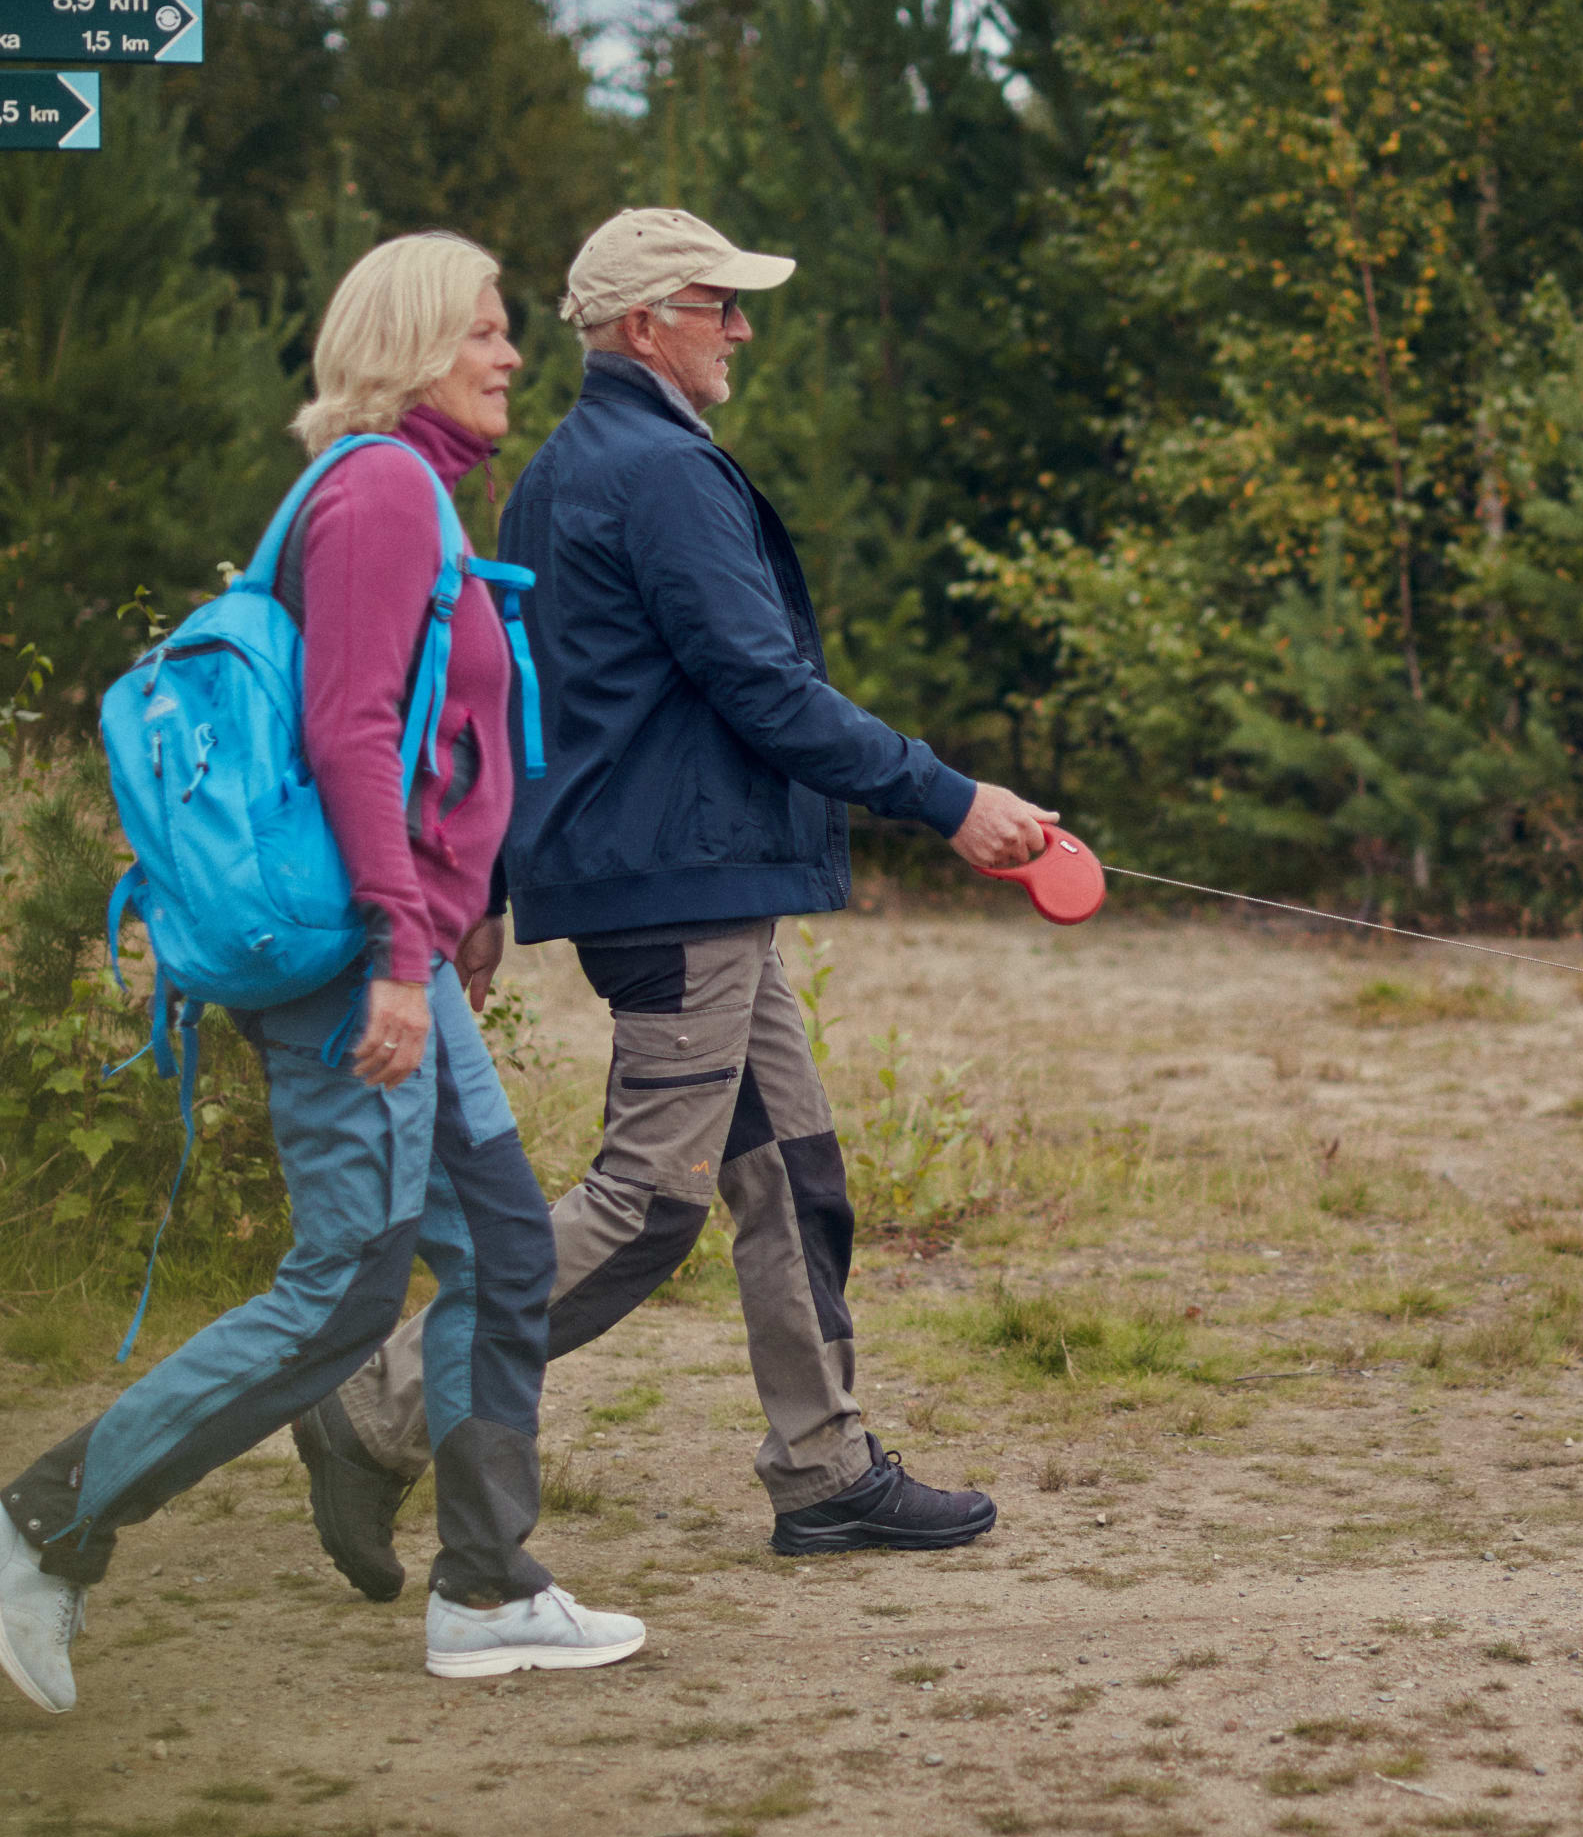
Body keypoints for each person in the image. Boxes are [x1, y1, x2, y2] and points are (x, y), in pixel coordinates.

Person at [288, 207, 1052, 1592]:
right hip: (681, 888)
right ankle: (375, 1408)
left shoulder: (576, 470)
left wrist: (499, 880)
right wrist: (948, 798)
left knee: (788, 1171)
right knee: (649, 1204)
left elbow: (525, 707)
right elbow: (763, 690)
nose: (744, 329)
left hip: (686, 878)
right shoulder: (657, 473)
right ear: (646, 327)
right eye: (721, 305)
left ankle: (822, 1471)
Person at [0, 232, 644, 1712]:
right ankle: (45, 1523)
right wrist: (405, 946)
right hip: (354, 965)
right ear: (407, 345)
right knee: (343, 1288)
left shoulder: (406, 498)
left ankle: (485, 1587)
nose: (510, 354)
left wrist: (459, 909)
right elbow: (346, 733)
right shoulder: (384, 489)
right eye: (484, 330)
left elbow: (421, 743)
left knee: (507, 1250)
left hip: (395, 953)